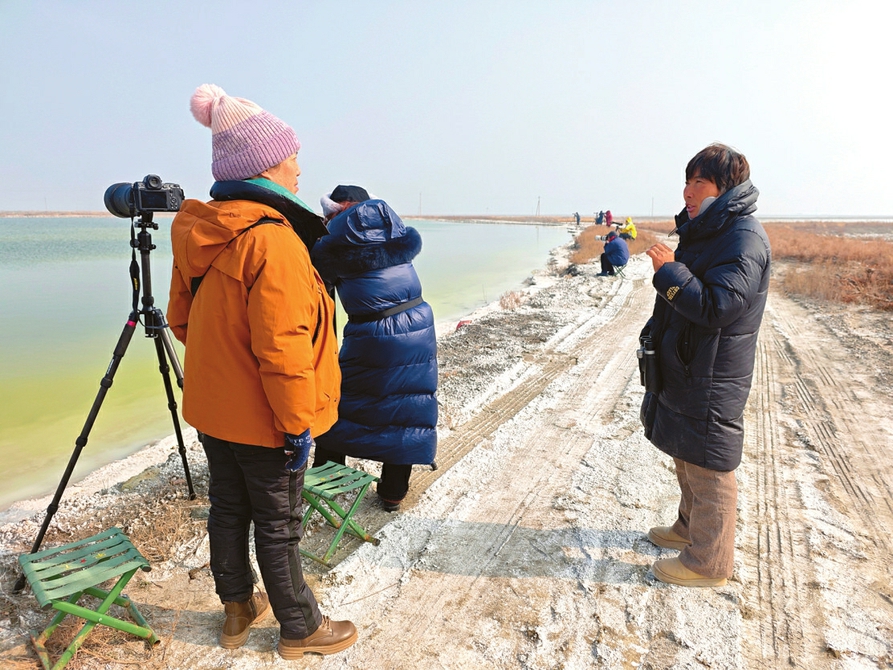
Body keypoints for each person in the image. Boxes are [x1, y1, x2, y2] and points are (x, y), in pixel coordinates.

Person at [167, 84, 358, 659]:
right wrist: (298, 423)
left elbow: (182, 322)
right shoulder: (274, 241)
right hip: (266, 417)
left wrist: (225, 370)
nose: (300, 169)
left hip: (213, 408)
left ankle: (236, 609)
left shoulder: (199, 229)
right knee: (278, 524)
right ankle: (300, 627)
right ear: (266, 166)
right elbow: (284, 349)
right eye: (292, 157)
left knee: (228, 508)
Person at [640, 143, 771, 587]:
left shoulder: (743, 237)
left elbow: (717, 308)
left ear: (725, 187)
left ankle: (709, 563)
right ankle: (686, 529)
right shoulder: (708, 230)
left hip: (714, 373)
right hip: (691, 364)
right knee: (686, 451)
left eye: (700, 182)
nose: (687, 192)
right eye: (687, 180)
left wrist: (670, 273)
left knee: (710, 465)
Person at [310, 186, 438, 512]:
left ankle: (325, 479)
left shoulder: (333, 243)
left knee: (339, 401)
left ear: (337, 210)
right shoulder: (391, 228)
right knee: (407, 407)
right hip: (418, 321)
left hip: (375, 330)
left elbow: (317, 293)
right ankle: (393, 493)